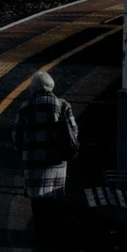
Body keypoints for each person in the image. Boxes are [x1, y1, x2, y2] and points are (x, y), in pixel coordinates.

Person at [13, 68, 79, 241]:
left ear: (33, 88)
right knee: (53, 199)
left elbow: (16, 136)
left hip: (34, 163)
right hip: (56, 163)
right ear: (50, 86)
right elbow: (74, 132)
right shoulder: (63, 105)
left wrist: (23, 151)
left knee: (37, 201)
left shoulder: (25, 107)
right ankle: (53, 234)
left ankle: (40, 234)